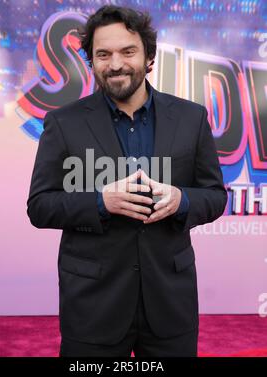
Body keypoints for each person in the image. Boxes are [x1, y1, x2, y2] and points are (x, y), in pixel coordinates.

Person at [26, 5, 227, 357]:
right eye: (103, 54)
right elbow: (40, 206)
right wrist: (101, 202)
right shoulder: (63, 123)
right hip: (92, 307)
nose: (115, 64)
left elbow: (214, 196)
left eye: (128, 51)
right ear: (91, 61)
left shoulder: (191, 118)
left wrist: (181, 200)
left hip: (170, 303)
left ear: (149, 57)